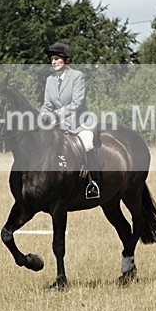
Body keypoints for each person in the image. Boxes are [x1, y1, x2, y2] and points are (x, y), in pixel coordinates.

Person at [39, 42, 101, 199]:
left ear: (66, 60)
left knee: (87, 143)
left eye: (57, 59)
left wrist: (56, 114)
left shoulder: (77, 76)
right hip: (59, 125)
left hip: (80, 122)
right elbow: (47, 105)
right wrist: (41, 117)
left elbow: (77, 103)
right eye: (52, 59)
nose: (53, 62)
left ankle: (93, 183)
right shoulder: (50, 80)